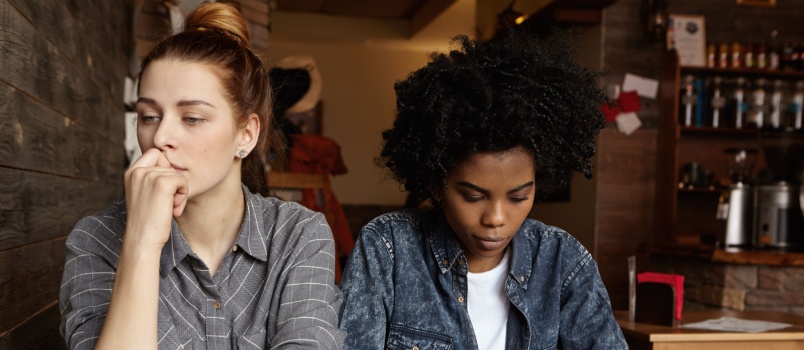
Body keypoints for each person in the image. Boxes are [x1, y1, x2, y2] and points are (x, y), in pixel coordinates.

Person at [59, 3, 344, 349]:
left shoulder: (298, 236)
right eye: (149, 116)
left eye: (192, 118)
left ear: (246, 135)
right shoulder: (96, 238)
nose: (161, 137)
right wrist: (142, 241)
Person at [338, 31, 628, 349]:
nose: (496, 218)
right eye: (473, 197)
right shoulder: (389, 249)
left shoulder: (563, 262)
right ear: (437, 184)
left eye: (519, 197)